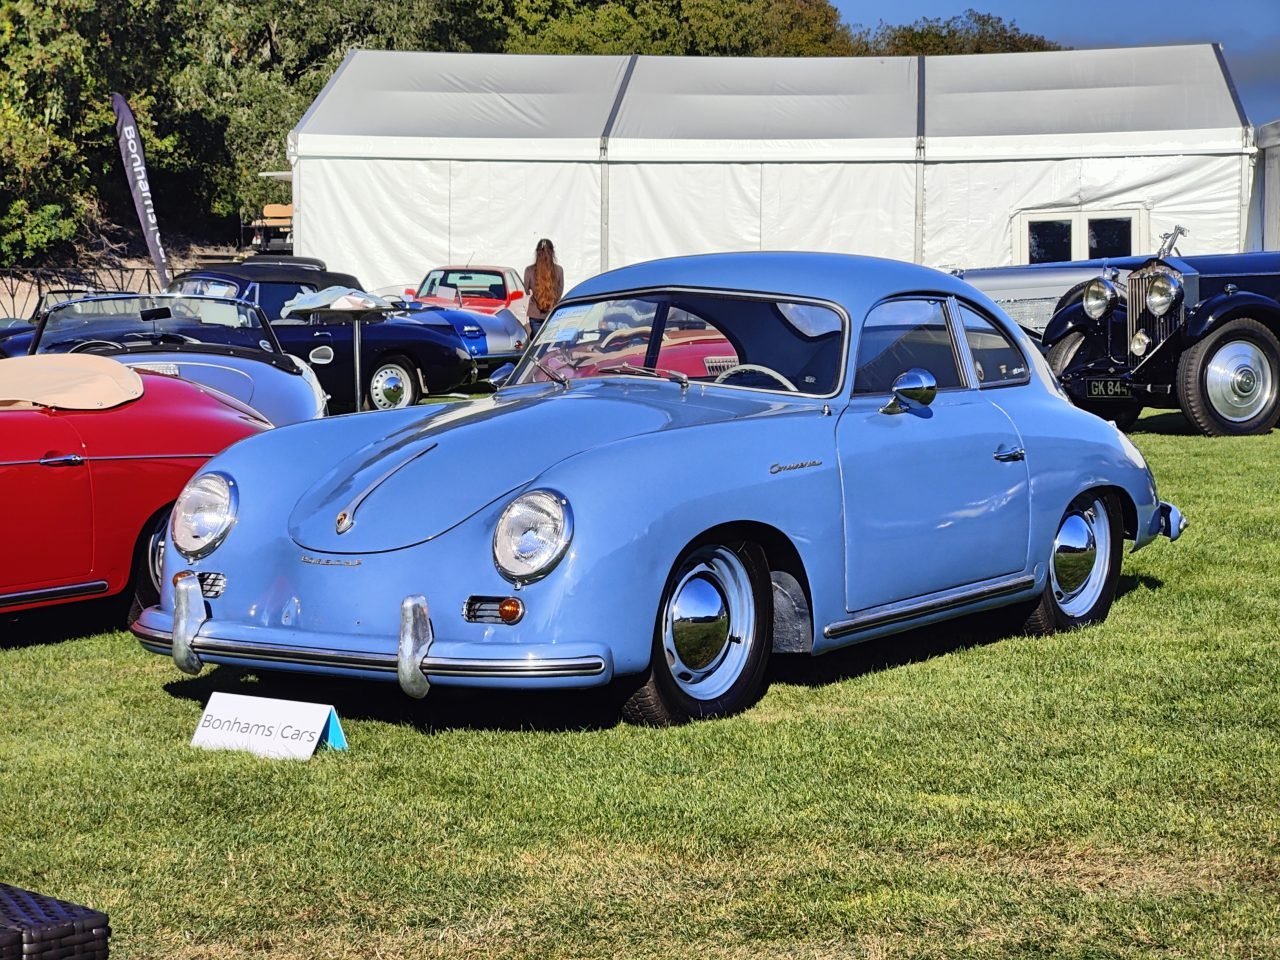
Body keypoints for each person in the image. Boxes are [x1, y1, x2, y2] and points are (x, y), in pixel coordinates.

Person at [523, 238, 564, 334]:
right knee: (550, 342)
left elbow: (526, 290)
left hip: (535, 314)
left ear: (537, 253)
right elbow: (560, 291)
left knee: (536, 341)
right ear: (552, 253)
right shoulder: (559, 270)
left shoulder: (529, 270)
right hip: (553, 313)